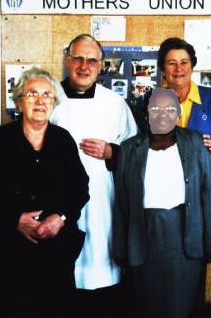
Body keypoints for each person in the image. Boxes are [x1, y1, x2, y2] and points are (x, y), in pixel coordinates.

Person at [0, 67, 89, 318]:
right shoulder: (0, 139)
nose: (40, 101)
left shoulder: (63, 140)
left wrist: (61, 217)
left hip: (55, 252)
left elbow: (79, 188)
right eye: (32, 94)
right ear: (18, 102)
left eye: (47, 95)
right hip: (9, 253)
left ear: (54, 102)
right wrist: (14, 219)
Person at [50, 34, 137, 318]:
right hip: (57, 204)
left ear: (101, 66)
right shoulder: (49, 100)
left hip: (103, 203)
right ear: (67, 60)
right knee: (61, 284)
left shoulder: (115, 104)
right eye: (78, 58)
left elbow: (136, 152)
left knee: (104, 290)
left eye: (91, 60)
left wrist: (113, 152)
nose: (84, 66)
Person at [113, 88, 211, 318]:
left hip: (185, 237)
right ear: (146, 113)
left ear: (179, 112)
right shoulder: (130, 149)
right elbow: (121, 201)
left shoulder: (195, 142)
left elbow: (207, 193)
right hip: (144, 236)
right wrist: (120, 246)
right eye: (155, 109)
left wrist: (210, 242)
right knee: (147, 305)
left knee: (182, 306)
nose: (163, 114)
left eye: (170, 109)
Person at [156, 37, 211, 302]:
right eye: (171, 63)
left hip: (205, 196)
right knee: (170, 269)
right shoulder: (152, 100)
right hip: (164, 198)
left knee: (205, 274)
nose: (178, 68)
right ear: (163, 69)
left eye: (184, 62)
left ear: (193, 66)